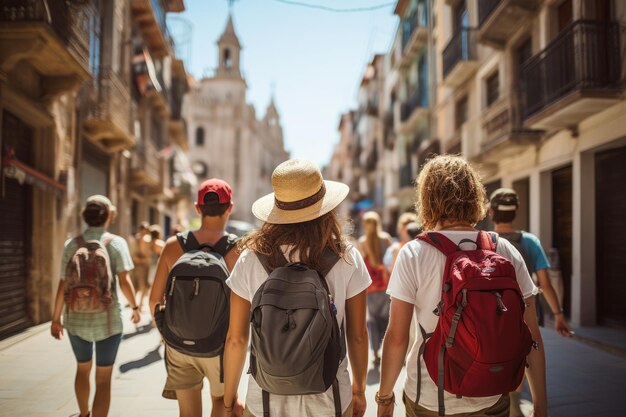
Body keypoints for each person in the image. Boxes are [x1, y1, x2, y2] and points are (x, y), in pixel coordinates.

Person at [377, 155, 547, 417]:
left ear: (427, 198)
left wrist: (385, 396)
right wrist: (540, 406)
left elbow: (397, 337)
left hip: (431, 398)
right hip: (493, 394)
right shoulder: (504, 249)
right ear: (474, 195)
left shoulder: (413, 253)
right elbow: (532, 334)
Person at [223, 159, 370, 417]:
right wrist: (359, 390)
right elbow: (357, 335)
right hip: (331, 400)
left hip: (265, 401)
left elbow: (236, 339)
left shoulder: (250, 258)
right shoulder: (346, 257)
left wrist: (228, 400)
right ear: (325, 209)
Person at [149, 179, 241, 417]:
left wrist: (168, 334)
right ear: (230, 207)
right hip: (219, 347)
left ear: (197, 208)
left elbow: (154, 300)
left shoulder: (172, 246)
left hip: (179, 345)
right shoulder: (238, 250)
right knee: (221, 403)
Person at [51, 195, 141, 417]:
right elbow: (125, 281)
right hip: (108, 321)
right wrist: (135, 307)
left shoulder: (72, 245)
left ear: (85, 216)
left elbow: (63, 283)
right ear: (109, 215)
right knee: (103, 378)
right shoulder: (117, 243)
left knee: (82, 369)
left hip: (75, 318)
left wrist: (55, 319)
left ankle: (83, 414)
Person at [489, 187, 573, 417]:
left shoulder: (486, 241)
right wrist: (559, 315)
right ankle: (517, 401)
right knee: (524, 358)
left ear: (490, 212)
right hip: (526, 314)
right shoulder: (530, 241)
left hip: (493, 315)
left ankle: (509, 401)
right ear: (515, 212)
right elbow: (545, 283)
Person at [358, 211, 392, 368]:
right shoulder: (386, 239)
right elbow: (392, 261)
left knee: (373, 321)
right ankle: (386, 350)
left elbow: (360, 267)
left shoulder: (362, 242)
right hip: (386, 285)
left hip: (370, 287)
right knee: (386, 319)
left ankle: (376, 352)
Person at [130, 221, 151, 310]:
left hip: (145, 265)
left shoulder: (147, 239)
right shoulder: (136, 238)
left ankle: (141, 303)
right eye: (143, 229)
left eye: (146, 229)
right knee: (135, 285)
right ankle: (134, 303)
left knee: (144, 285)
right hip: (137, 265)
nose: (144, 231)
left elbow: (148, 253)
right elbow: (133, 253)